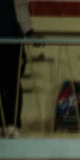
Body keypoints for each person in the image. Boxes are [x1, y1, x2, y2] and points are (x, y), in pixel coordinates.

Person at [0, 0, 31, 137]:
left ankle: (12, 125)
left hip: (13, 43)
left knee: (12, 84)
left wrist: (29, 32)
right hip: (11, 40)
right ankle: (3, 124)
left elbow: (21, 7)